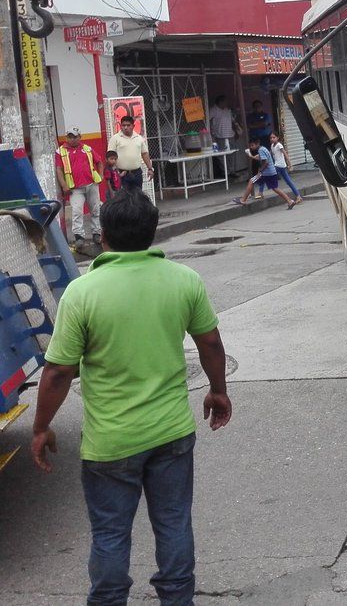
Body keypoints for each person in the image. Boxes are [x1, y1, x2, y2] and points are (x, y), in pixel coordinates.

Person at [31, 191, 232, 606]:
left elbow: (58, 372)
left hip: (111, 444)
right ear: (152, 233)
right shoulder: (183, 280)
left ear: (103, 236)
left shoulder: (82, 292)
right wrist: (217, 390)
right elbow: (210, 344)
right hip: (172, 432)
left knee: (109, 534)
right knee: (174, 523)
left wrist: (40, 426)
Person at [56, 128, 104, 251]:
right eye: (70, 137)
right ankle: (79, 237)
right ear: (67, 138)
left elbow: (99, 162)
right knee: (77, 212)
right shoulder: (60, 151)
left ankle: (96, 234)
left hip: (91, 184)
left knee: (95, 210)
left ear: (80, 137)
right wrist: (64, 185)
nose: (72, 139)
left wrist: (101, 175)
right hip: (75, 188)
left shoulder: (87, 149)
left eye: (75, 136)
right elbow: (59, 170)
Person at [232, 139, 295, 208]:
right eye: (250, 146)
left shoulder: (261, 150)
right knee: (275, 188)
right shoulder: (263, 149)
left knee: (251, 181)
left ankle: (243, 200)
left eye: (252, 145)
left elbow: (266, 163)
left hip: (266, 173)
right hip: (271, 172)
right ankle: (290, 201)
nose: (251, 147)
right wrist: (251, 156)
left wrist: (260, 171)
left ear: (257, 144)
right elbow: (259, 158)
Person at [108, 115, 153, 190]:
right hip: (122, 174)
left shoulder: (139, 138)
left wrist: (150, 169)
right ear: (120, 126)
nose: (125, 127)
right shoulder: (115, 138)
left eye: (128, 125)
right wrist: (116, 173)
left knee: (138, 197)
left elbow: (144, 153)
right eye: (123, 125)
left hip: (137, 173)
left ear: (133, 126)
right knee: (124, 199)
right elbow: (110, 156)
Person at [208, 96, 241, 178]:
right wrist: (211, 133)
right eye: (225, 102)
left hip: (230, 135)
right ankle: (225, 172)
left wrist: (237, 129)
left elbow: (233, 121)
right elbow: (207, 120)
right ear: (220, 102)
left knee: (232, 153)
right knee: (221, 155)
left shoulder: (227, 110)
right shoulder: (213, 110)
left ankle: (232, 171)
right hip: (219, 136)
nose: (227, 103)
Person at [269, 133, 303, 204]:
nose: (272, 139)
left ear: (277, 138)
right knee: (288, 181)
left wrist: (290, 164)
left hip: (279, 165)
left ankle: (260, 192)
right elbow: (271, 155)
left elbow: (285, 154)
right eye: (271, 138)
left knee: (268, 176)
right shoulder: (272, 146)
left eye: (274, 137)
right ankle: (298, 196)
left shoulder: (279, 145)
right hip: (280, 165)